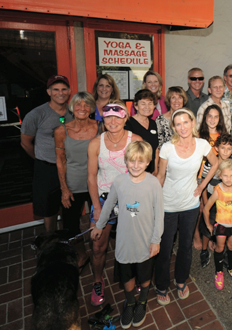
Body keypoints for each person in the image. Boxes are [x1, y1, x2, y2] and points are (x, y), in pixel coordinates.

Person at [90, 141, 163, 328]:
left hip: (146, 240)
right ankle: (130, 302)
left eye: (141, 161)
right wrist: (99, 225)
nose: (136, 165)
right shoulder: (119, 181)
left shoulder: (154, 183)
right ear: (126, 161)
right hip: (124, 240)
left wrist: (156, 240)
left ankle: (143, 301)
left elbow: (160, 214)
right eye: (132, 161)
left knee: (145, 274)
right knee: (126, 273)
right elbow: (108, 206)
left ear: (148, 162)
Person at [155, 109, 219, 305]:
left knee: (185, 247)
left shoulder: (202, 144)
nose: (183, 127)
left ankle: (181, 280)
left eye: (186, 122)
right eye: (178, 124)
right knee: (165, 248)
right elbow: (160, 175)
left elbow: (215, 163)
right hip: (168, 205)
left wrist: (201, 185)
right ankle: (161, 284)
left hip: (190, 204)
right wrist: (153, 200)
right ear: (174, 127)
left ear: (192, 123)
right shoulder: (167, 147)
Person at [87, 101, 143, 306]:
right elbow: (91, 177)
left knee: (133, 242)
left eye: (117, 117)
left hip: (130, 199)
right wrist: (97, 208)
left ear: (125, 118)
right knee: (98, 246)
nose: (112, 121)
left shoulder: (135, 140)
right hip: (104, 199)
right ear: (103, 119)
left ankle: (134, 276)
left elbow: (142, 171)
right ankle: (97, 280)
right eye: (108, 117)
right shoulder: (95, 143)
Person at [21, 75, 74, 232]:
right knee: (48, 208)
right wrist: (41, 158)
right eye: (56, 89)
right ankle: (51, 240)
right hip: (47, 168)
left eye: (64, 89)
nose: (60, 93)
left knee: (69, 205)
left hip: (69, 167)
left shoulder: (74, 112)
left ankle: (67, 237)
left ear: (69, 91)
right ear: (48, 92)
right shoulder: (36, 114)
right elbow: (25, 143)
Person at [54, 91, 99, 272]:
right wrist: (64, 188)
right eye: (78, 105)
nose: (82, 108)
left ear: (91, 108)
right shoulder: (61, 130)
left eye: (86, 105)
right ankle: (81, 253)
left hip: (96, 183)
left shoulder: (100, 127)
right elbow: (60, 160)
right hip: (73, 185)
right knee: (71, 225)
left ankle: (98, 250)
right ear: (72, 107)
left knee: (99, 219)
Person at [202, 158, 232, 289]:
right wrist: (209, 225)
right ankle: (219, 272)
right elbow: (206, 208)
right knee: (219, 248)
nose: (228, 178)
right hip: (221, 225)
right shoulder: (218, 190)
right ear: (220, 175)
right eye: (225, 175)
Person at [199, 134, 232, 268]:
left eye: (229, 149)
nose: (225, 152)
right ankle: (204, 250)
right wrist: (204, 202)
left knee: (223, 226)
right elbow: (203, 183)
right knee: (207, 226)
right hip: (210, 199)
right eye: (222, 148)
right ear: (216, 148)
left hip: (225, 203)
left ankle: (224, 249)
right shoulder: (210, 163)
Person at [125, 90, 159, 174]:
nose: (147, 107)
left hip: (151, 172)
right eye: (143, 103)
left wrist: (155, 169)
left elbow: (156, 149)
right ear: (136, 106)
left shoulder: (153, 123)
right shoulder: (128, 124)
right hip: (135, 171)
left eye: (150, 103)